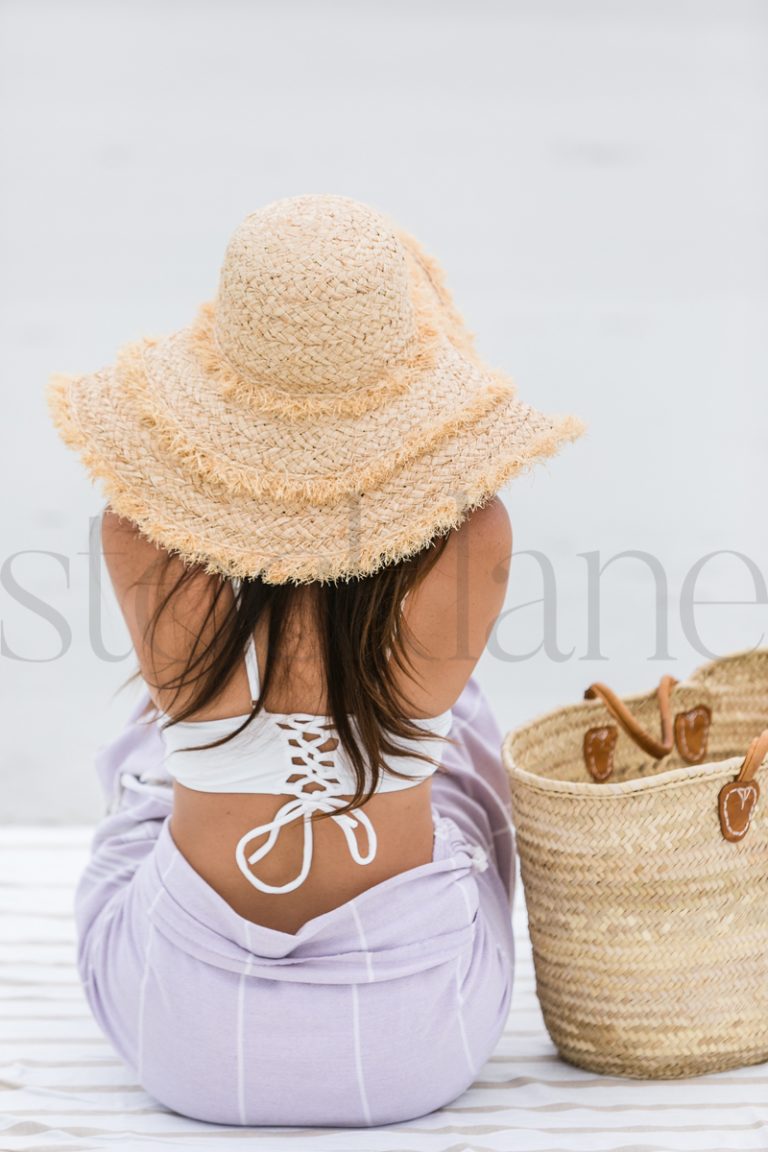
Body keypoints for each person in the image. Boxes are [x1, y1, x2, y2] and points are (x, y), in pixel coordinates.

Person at [46, 193, 583, 1127]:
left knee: (148, 757)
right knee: (460, 734)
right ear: (407, 375)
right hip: (419, 1034)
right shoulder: (475, 537)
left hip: (185, 1035)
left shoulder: (140, 531)